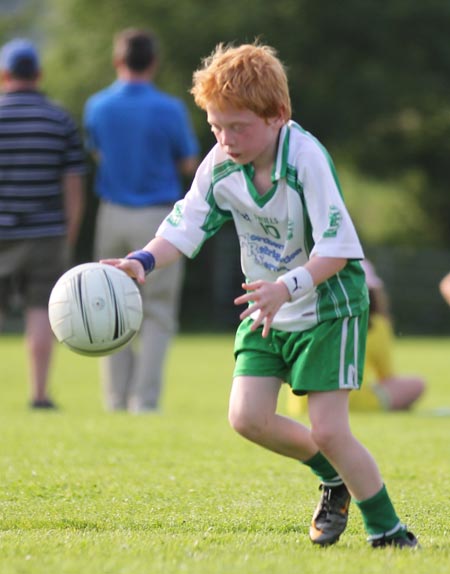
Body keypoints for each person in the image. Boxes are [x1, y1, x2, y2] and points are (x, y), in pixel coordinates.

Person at [101, 42, 418, 548]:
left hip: (327, 306)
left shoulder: (306, 158)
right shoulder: (222, 164)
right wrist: (139, 261)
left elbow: (338, 250)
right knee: (247, 418)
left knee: (333, 431)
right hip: (267, 304)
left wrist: (285, 287)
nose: (226, 139)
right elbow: (183, 226)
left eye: (238, 126)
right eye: (216, 126)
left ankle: (389, 531)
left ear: (277, 116)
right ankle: (332, 479)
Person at [83, 28, 199, 414]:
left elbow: (96, 153)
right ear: (153, 62)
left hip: (112, 212)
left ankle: (115, 399)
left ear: (118, 60)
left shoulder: (97, 106)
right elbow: (188, 163)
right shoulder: (169, 109)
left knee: (108, 306)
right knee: (157, 312)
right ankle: (144, 401)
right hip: (158, 219)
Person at [0, 38, 85, 409]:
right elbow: (74, 182)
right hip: (46, 231)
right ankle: (38, 394)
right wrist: (70, 231)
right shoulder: (59, 118)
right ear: (39, 74)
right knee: (40, 312)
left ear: (4, 74)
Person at [286, 258, 426, 413]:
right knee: (417, 384)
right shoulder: (377, 325)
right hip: (354, 401)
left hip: (301, 404)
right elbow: (386, 377)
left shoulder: (303, 318)